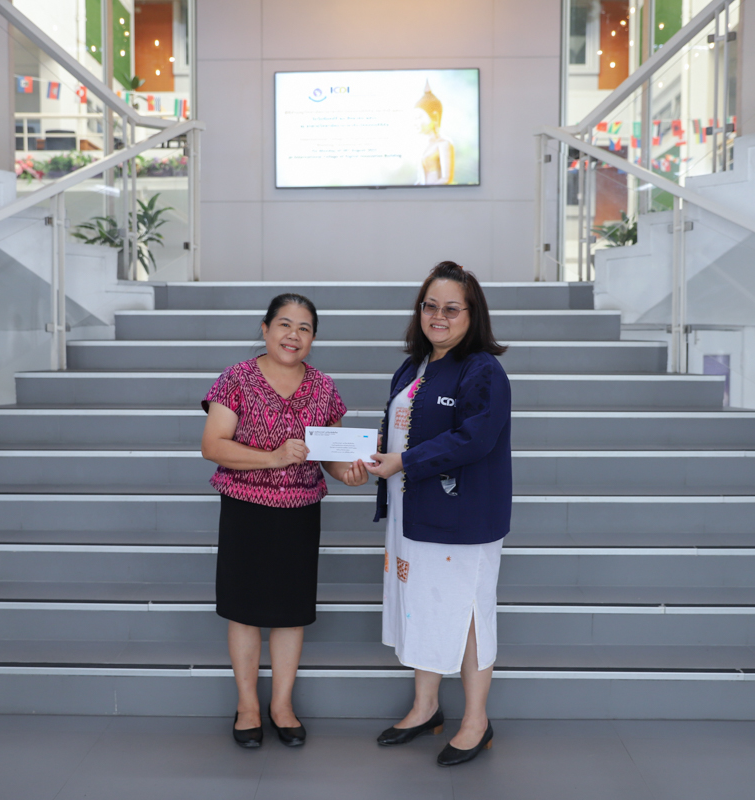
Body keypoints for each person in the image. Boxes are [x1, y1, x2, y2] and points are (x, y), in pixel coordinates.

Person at [200, 293, 369, 749]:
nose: (293, 335)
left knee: (291, 614)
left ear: (313, 339)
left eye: (304, 328)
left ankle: (282, 705)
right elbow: (213, 445)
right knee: (244, 611)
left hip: (300, 512)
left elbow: (331, 456)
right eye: (284, 324)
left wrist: (349, 474)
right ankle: (247, 706)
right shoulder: (236, 378)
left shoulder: (324, 388)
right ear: (265, 329)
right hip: (246, 509)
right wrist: (273, 457)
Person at [364, 261, 512, 767]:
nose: (438, 316)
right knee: (421, 608)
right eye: (430, 306)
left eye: (452, 308)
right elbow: (401, 431)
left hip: (462, 519)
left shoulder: (483, 370)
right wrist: (369, 456)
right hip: (412, 513)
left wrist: (402, 462)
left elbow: (474, 439)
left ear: (472, 314)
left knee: (468, 616)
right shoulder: (413, 367)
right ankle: (426, 707)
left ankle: (476, 721)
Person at [413, 82, 456, 185]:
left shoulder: (444, 143)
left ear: (434, 116)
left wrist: (428, 191)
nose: (416, 122)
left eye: (419, 117)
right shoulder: (423, 146)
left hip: (438, 193)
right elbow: (421, 179)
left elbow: (446, 179)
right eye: (414, 118)